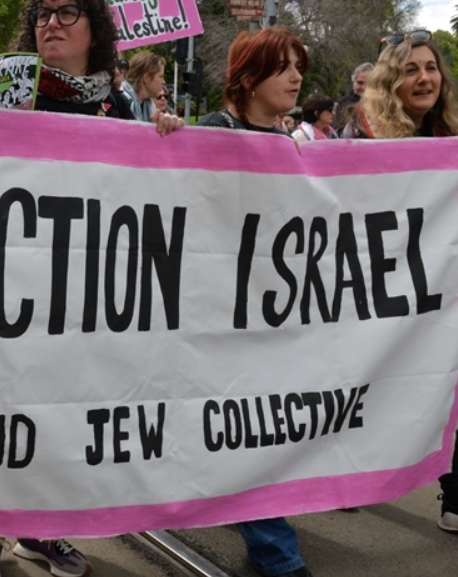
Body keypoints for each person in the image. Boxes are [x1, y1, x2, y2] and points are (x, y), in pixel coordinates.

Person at [0, 2, 182, 576]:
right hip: (12, 282)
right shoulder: (9, 85)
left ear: (94, 30)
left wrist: (168, 138)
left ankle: (43, 529)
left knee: (63, 415)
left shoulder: (118, 103)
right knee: (6, 411)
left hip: (81, 292)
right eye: (43, 13)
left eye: (67, 11)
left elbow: (138, 185)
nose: (51, 22)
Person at [360, 31, 458, 532]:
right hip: (370, 297)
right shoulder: (367, 140)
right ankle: (341, 476)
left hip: (426, 296)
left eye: (431, 68)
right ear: (391, 82)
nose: (424, 78)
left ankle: (456, 497)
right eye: (411, 69)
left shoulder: (452, 143)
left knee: (438, 383)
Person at [196, 28, 316, 577]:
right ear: (247, 78)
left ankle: (249, 512)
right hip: (215, 314)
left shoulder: (296, 145)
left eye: (298, 65)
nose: (296, 76)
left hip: (273, 314)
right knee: (247, 428)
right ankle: (278, 555)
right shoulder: (214, 132)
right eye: (282, 66)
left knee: (259, 428)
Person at [124, 50, 166, 122]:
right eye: (161, 76)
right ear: (147, 78)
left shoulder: (149, 105)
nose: (163, 82)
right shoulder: (122, 101)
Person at [333, 62, 372, 134]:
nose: (363, 87)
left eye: (368, 83)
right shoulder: (341, 105)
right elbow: (335, 133)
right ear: (354, 82)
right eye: (360, 83)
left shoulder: (380, 105)